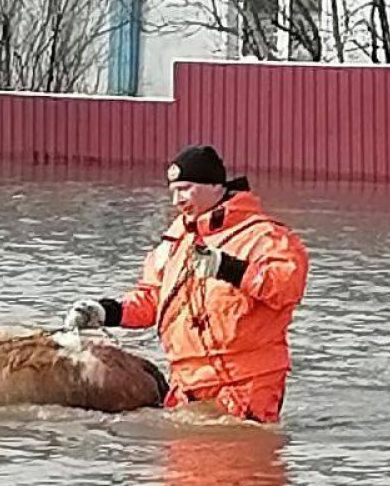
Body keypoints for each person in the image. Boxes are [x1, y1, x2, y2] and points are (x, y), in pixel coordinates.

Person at [64, 144, 309, 424]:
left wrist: (230, 269)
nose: (176, 201)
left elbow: (286, 288)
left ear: (215, 186)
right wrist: (105, 311)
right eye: (172, 192)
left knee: (241, 464)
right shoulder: (174, 243)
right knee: (179, 465)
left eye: (185, 189)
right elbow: (152, 300)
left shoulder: (264, 236)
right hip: (186, 384)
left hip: (246, 384)